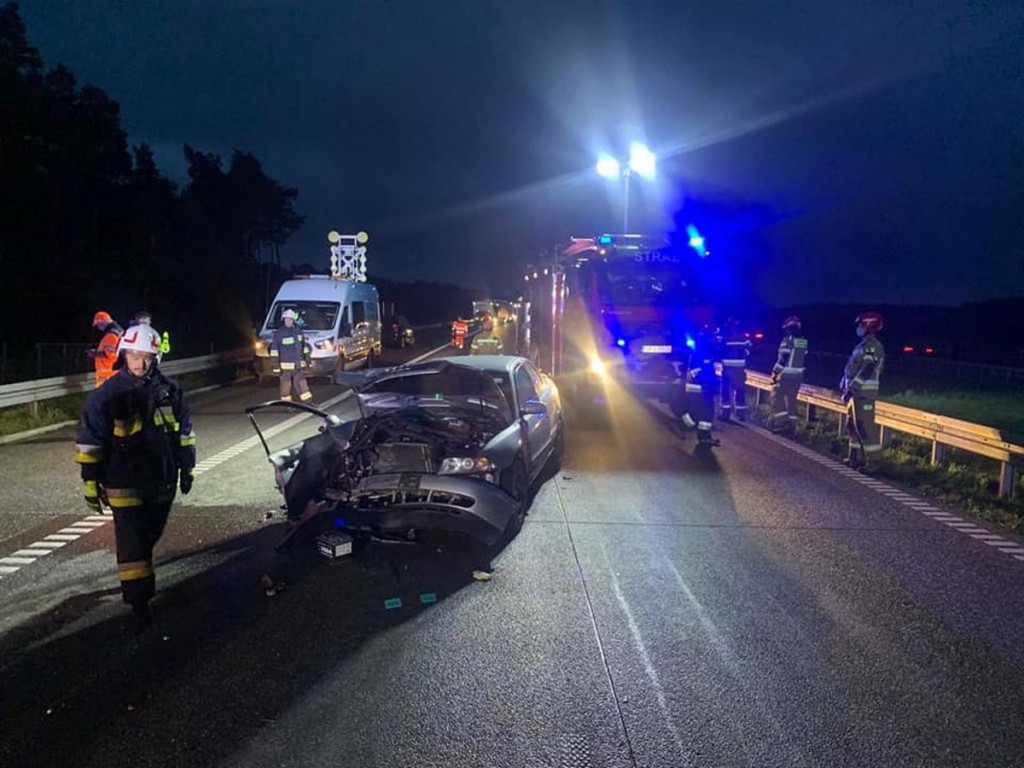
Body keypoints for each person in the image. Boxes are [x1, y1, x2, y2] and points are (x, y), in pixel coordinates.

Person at [75, 324, 196, 627]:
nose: (139, 364)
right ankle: (138, 601)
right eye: (134, 356)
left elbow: (185, 434)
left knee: (148, 536)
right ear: (123, 355)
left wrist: (186, 467)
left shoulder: (171, 391)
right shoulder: (107, 396)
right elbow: (91, 441)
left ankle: (139, 584)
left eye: (146, 357)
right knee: (132, 543)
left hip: (161, 478)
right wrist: (91, 480)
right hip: (123, 480)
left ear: (156, 359)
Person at [840, 311, 886, 470]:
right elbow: (852, 368)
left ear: (868, 326)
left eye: (860, 325)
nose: (858, 328)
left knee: (865, 427)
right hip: (855, 394)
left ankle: (873, 462)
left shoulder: (873, 346)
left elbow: (867, 369)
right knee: (852, 426)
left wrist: (852, 388)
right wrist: (844, 383)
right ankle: (855, 457)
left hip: (864, 394)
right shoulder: (861, 346)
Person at [678, 326, 719, 446]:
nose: (714, 339)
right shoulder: (701, 352)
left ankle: (704, 437)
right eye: (713, 336)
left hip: (702, 388)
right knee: (697, 413)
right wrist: (708, 384)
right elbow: (700, 372)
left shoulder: (703, 351)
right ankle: (681, 426)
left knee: (706, 414)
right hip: (698, 389)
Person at [769, 316, 808, 435]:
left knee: (776, 397)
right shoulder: (803, 341)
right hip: (798, 375)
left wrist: (775, 372)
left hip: (785, 374)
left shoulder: (788, 340)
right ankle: (792, 426)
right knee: (791, 400)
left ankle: (781, 424)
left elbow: (783, 358)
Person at [269, 309, 313, 402]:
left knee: (302, 384)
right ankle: (287, 405)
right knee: (285, 386)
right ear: (283, 320)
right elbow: (274, 351)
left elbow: (304, 347)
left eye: (290, 319)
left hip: (298, 365)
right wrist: (276, 366)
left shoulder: (298, 331)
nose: (288, 321)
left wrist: (308, 360)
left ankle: (308, 402)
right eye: (286, 319)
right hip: (285, 367)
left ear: (293, 320)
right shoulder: (279, 333)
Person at [719, 317, 752, 421]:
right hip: (739, 368)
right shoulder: (743, 336)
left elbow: (719, 349)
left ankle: (725, 413)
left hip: (728, 367)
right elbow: (750, 347)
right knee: (740, 390)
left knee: (725, 391)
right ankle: (741, 414)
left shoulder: (725, 335)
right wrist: (744, 355)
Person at [87, 311, 123, 388]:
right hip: (113, 373)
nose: (98, 328)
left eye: (98, 325)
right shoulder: (118, 332)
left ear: (102, 321)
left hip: (107, 374)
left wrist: (95, 354)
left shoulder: (111, 335)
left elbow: (111, 355)